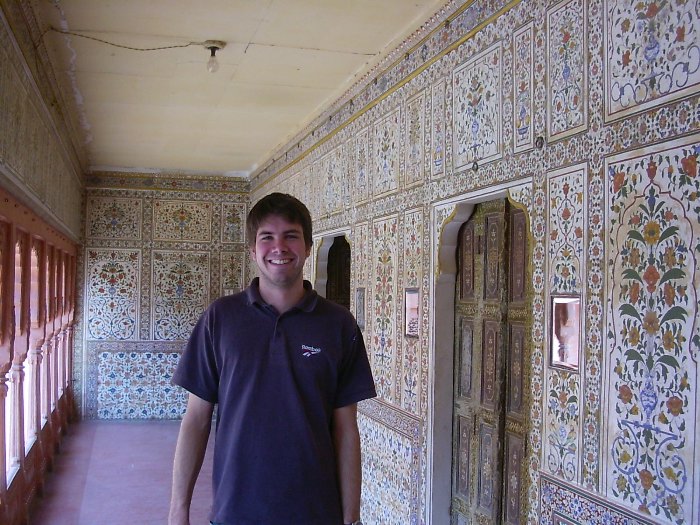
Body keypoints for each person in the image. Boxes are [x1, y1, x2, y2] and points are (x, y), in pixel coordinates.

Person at [169, 192, 375, 525]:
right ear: (253, 250)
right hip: (236, 511)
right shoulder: (220, 319)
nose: (279, 247)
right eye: (267, 237)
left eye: (291, 236)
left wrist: (351, 517)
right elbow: (196, 419)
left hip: (315, 512)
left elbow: (345, 429)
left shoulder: (338, 324)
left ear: (308, 247)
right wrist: (178, 510)